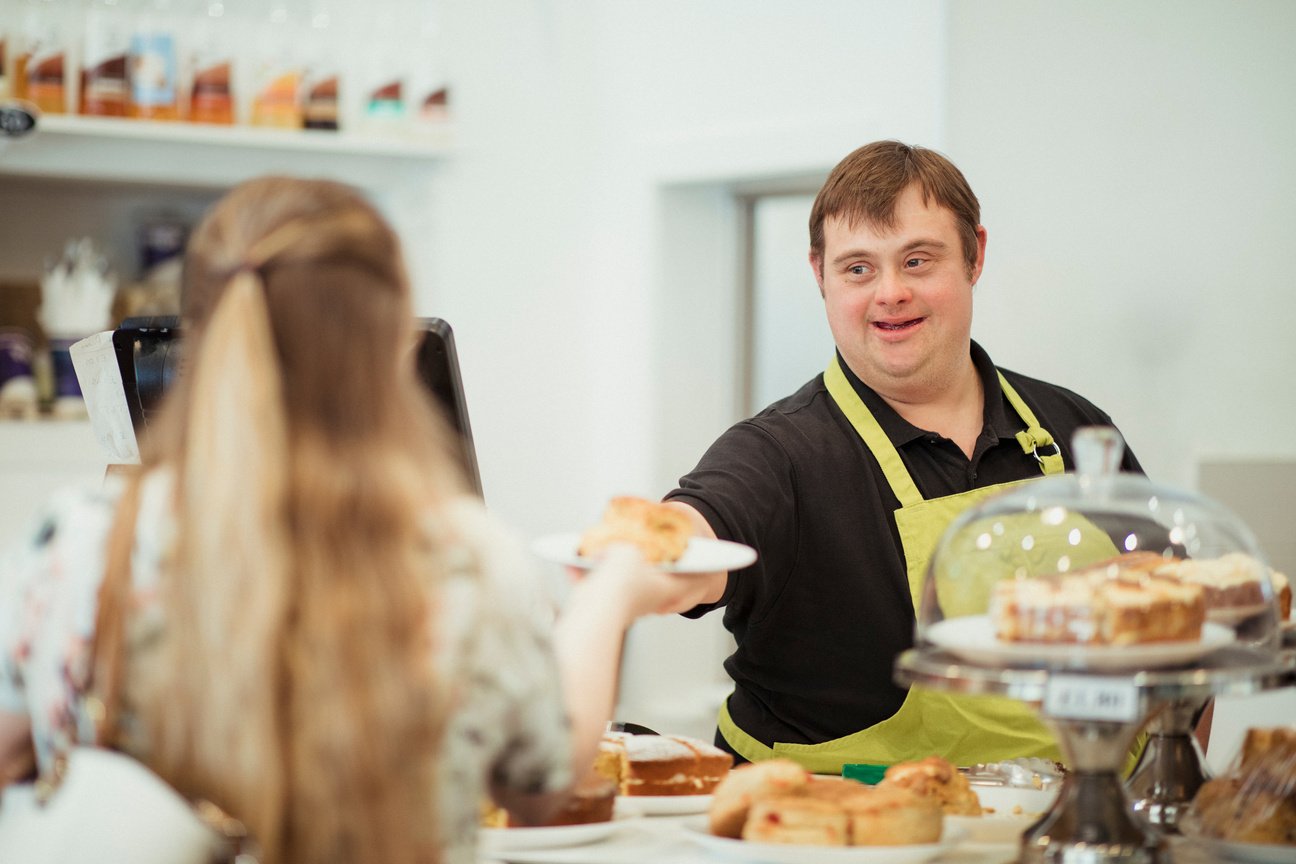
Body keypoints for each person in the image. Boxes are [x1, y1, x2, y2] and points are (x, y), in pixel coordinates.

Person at [0, 177, 693, 864]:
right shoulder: (466, 557)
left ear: (199, 333)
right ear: (396, 343)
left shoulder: (82, 538)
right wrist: (608, 598)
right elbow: (540, 786)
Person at [658, 141, 1144, 773]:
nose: (890, 293)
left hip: (1073, 826)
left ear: (976, 256)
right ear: (820, 275)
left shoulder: (1074, 428)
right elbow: (693, 537)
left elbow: (1187, 640)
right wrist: (641, 560)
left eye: (918, 261)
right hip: (845, 831)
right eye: (858, 268)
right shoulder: (778, 453)